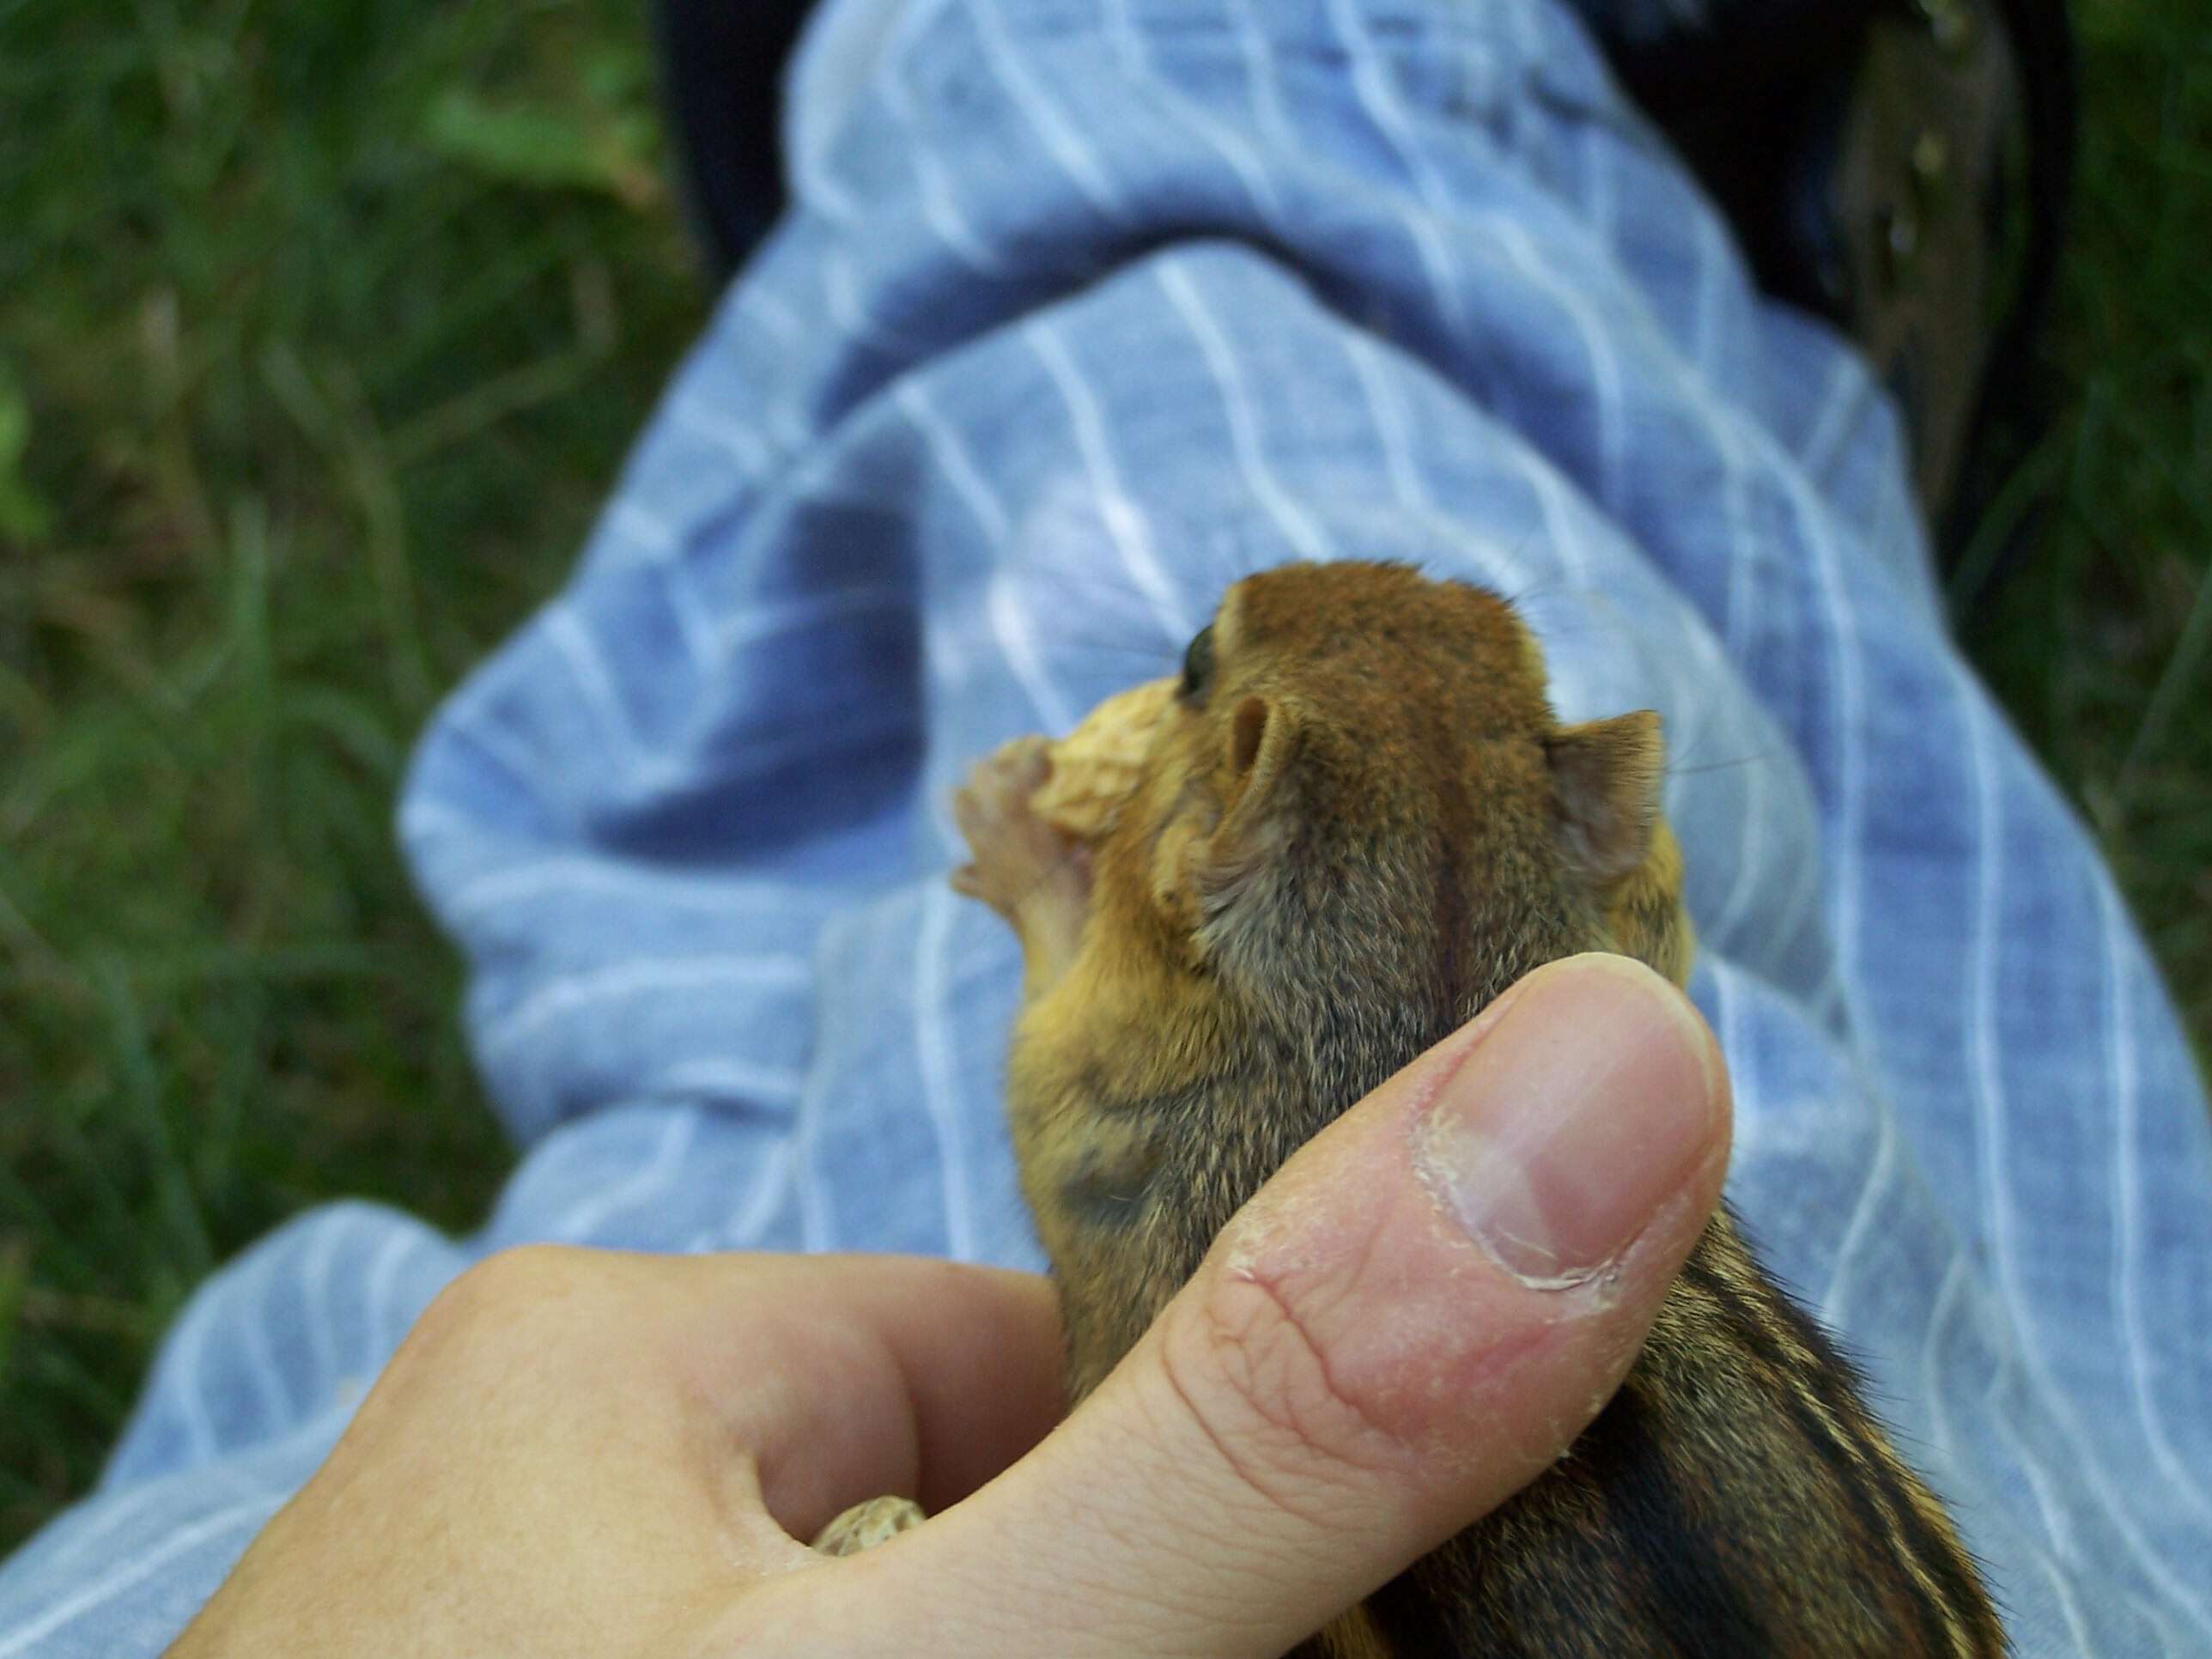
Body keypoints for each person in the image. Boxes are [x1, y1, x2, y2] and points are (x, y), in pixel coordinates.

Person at [3, 0, 2207, 1653]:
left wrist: (1065, 908)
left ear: (1221, 821)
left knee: (475, 1357)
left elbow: (1085, 1136)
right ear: (1603, 854)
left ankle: (1056, 85)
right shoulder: (1625, 952)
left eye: (1184, 682)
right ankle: (1300, 127)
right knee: (1805, 1064)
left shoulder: (1162, 1115)